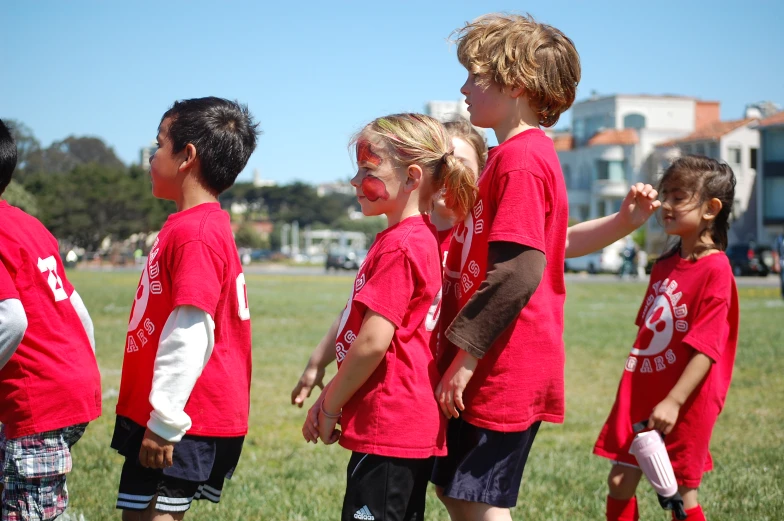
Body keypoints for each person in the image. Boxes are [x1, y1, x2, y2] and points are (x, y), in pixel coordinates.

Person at [300, 113, 477, 521]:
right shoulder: (412, 238)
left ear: (413, 177)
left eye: (368, 169)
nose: (354, 181)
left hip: (389, 425)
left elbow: (372, 342)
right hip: (398, 425)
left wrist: (329, 405)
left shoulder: (402, 246)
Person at [111, 97, 259, 520]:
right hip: (171, 409)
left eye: (158, 144)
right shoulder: (192, 224)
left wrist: (164, 420)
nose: (152, 157)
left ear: (186, 157)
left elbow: (192, 330)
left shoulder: (196, 234)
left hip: (184, 416)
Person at [594, 156, 739, 521]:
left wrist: (673, 402)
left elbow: (707, 348)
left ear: (711, 209)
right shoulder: (664, 263)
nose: (667, 205)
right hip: (642, 393)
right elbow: (650, 332)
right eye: (665, 195)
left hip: (683, 403)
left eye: (678, 197)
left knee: (678, 493)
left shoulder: (716, 269)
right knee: (619, 483)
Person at [0, 118, 101, 521]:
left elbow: (10, 319)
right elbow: (77, 307)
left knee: (26, 513)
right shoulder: (28, 225)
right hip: (70, 389)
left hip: (35, 402)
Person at [774, 232, 784, 299]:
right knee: (783, 280)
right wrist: (776, 263)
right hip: (782, 262)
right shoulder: (780, 239)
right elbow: (776, 252)